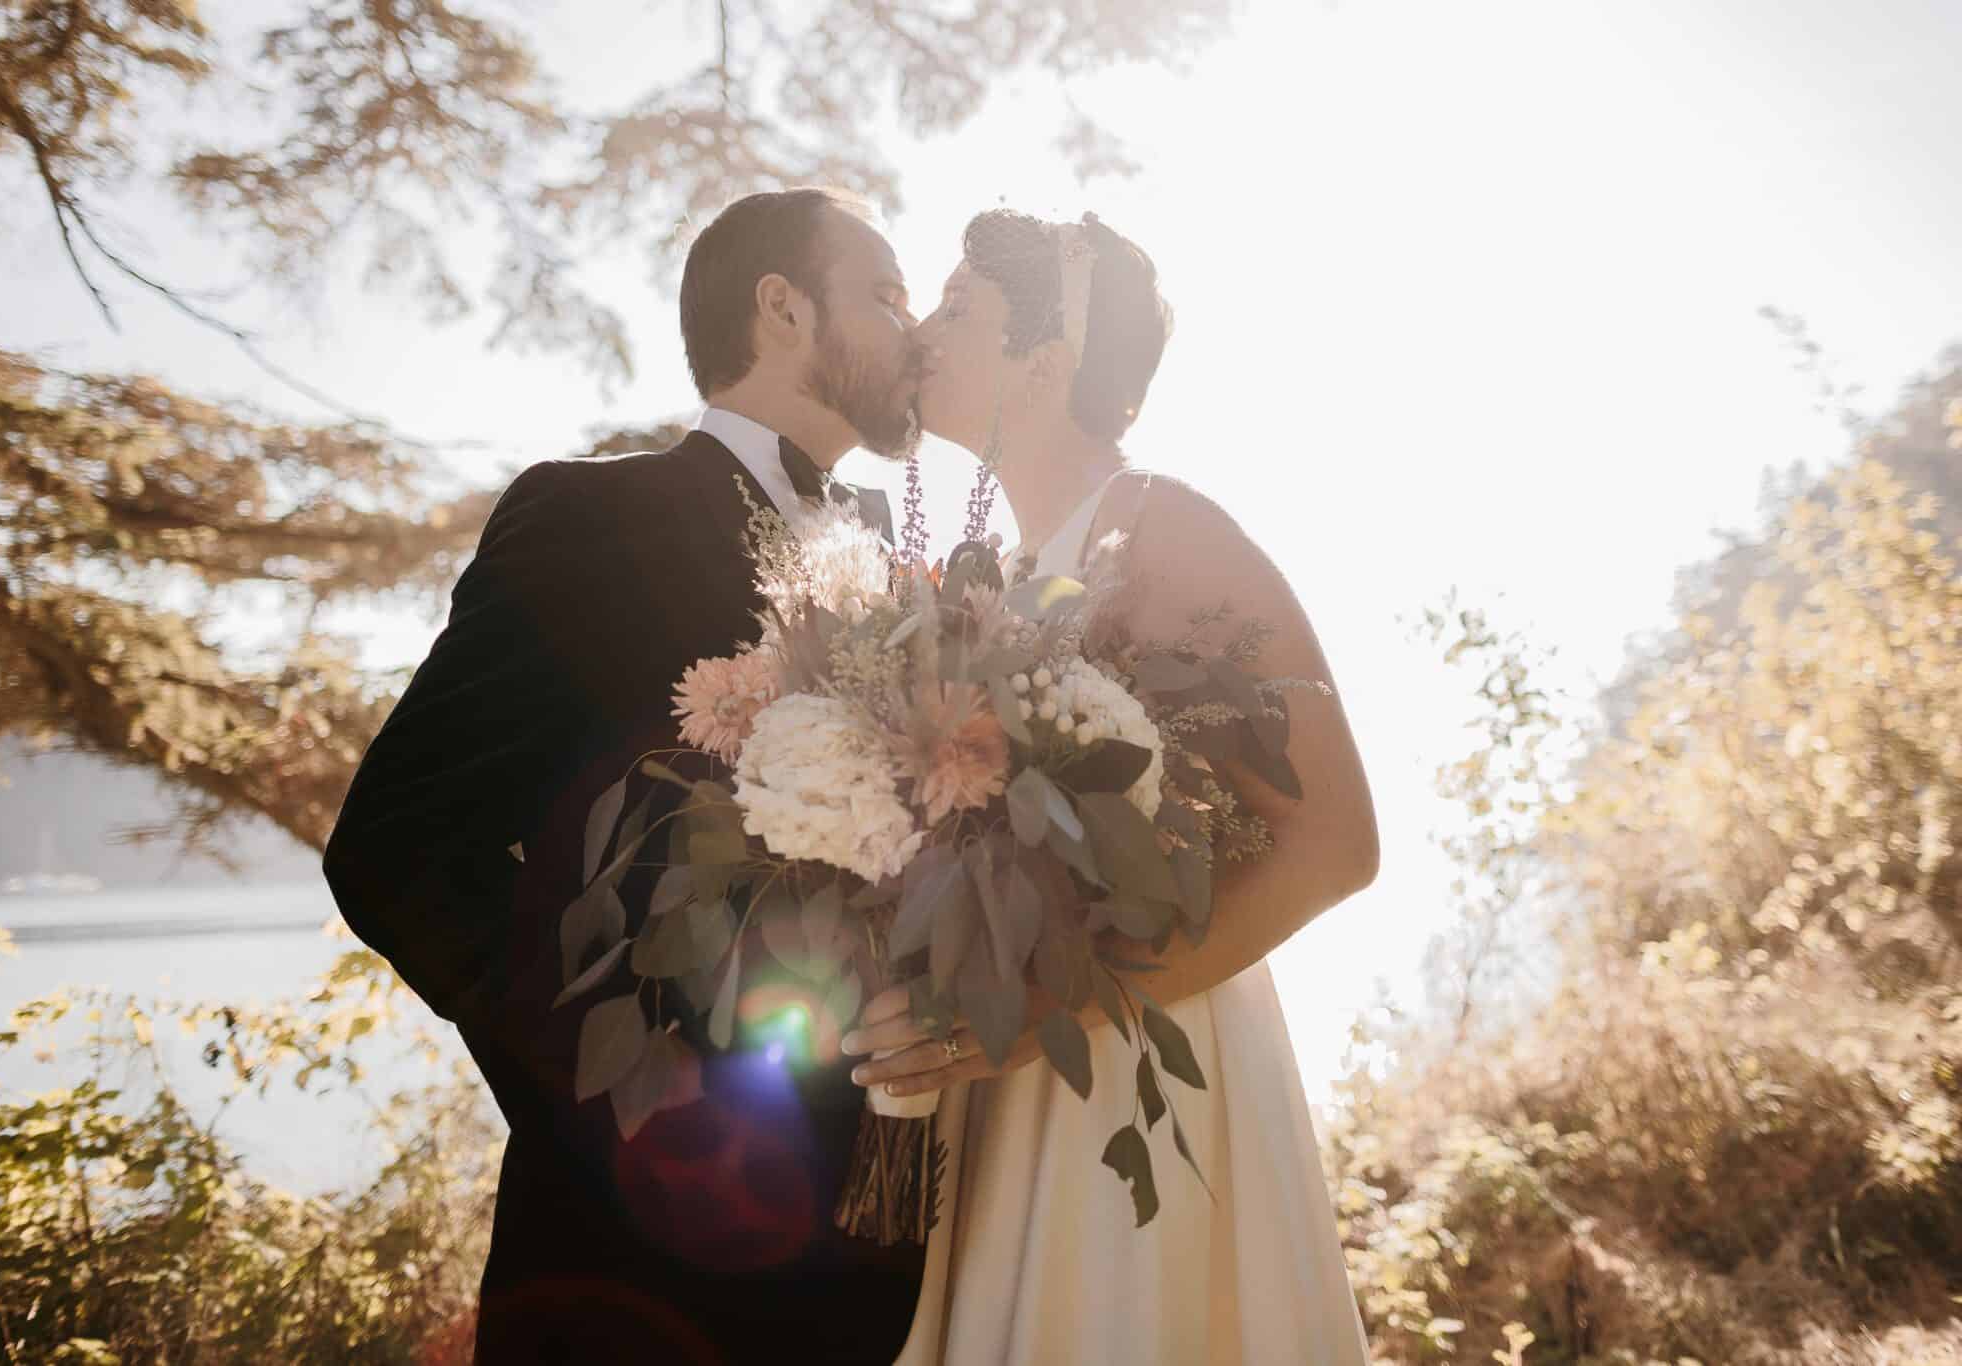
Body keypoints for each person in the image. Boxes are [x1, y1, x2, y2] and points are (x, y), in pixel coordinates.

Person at [322, 186, 929, 1364]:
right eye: (886, 293)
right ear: (781, 307)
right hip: (627, 1265)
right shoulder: (590, 518)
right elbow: (392, 842)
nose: (911, 328)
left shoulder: (910, 555)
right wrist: (596, 1091)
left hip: (879, 1251)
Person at [844, 209, 1380, 1364]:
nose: (925, 334)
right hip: (997, 1068)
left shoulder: (1165, 527)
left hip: (1128, 1063)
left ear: (1043, 367)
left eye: (956, 310)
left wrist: (1048, 1019)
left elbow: (1336, 842)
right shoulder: (983, 573)